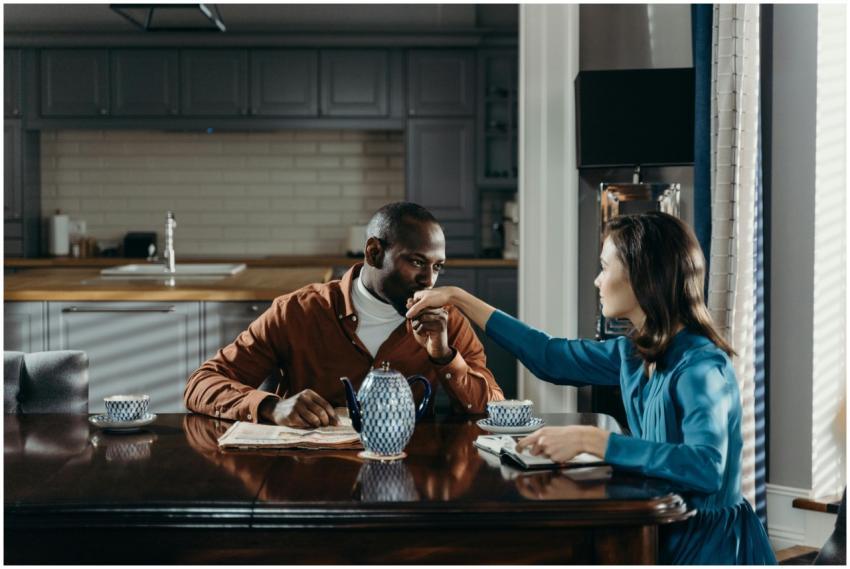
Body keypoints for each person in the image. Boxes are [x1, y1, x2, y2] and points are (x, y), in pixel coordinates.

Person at [405, 211, 777, 565]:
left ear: (643, 276)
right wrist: (457, 298)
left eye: (604, 267)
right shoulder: (633, 354)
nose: (598, 281)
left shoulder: (701, 366)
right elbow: (549, 356)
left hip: (711, 545)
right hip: (660, 527)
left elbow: (707, 467)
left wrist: (595, 441)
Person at [185, 202, 504, 427]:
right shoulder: (297, 311)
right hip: (310, 480)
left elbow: (493, 408)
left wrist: (444, 355)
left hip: (412, 482)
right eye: (417, 262)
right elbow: (201, 384)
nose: (429, 281)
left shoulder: (447, 319)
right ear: (374, 253)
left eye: (437, 267)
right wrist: (271, 406)